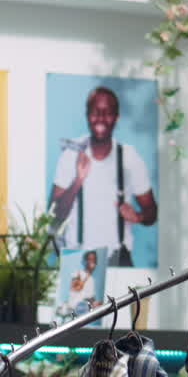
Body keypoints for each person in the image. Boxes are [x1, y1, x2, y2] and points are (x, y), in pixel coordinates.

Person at [49, 86, 157, 267]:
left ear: (117, 116)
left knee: (127, 296)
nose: (100, 118)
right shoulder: (70, 156)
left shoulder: (129, 157)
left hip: (118, 259)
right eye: (95, 112)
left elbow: (152, 212)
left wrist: (138, 216)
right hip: (76, 259)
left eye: (107, 112)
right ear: (87, 115)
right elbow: (54, 215)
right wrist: (78, 181)